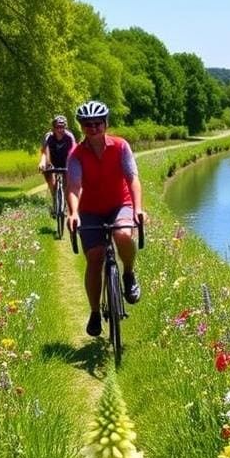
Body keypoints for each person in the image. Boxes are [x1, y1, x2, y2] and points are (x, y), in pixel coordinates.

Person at [66, 100, 145, 337]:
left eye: (98, 123)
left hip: (120, 203)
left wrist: (139, 208)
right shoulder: (76, 155)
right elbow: (74, 186)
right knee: (94, 258)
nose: (94, 128)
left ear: (106, 123)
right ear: (82, 127)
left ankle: (128, 273)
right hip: (90, 210)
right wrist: (73, 213)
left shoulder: (121, 146)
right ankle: (94, 313)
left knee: (122, 234)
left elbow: (132, 177)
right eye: (88, 124)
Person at [37, 115, 76, 213]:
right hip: (52, 162)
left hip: (66, 162)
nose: (60, 129)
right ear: (53, 128)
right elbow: (44, 153)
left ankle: (66, 203)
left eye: (62, 127)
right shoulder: (49, 137)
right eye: (58, 127)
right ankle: (55, 198)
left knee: (67, 184)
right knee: (49, 175)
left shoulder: (69, 136)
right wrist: (42, 162)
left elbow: (74, 151)